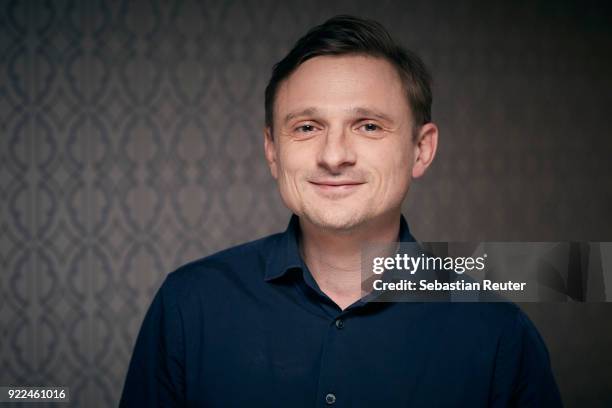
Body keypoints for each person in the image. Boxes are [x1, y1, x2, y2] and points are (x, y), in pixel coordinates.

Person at [120, 15, 562, 407]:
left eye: (368, 126)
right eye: (307, 127)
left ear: (421, 150)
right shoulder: (188, 304)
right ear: (272, 151)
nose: (334, 156)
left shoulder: (498, 333)